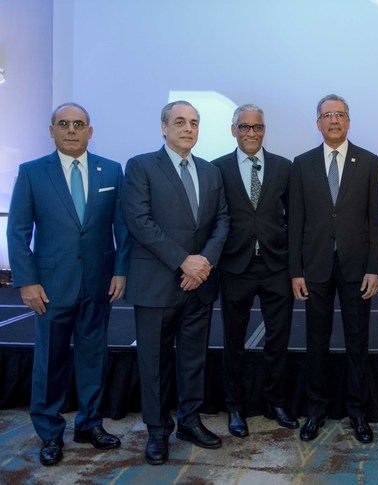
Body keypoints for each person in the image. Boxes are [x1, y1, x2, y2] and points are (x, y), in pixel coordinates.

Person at [7, 102, 130, 466]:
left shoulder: (111, 169)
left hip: (98, 284)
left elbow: (120, 227)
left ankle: (89, 424)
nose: (72, 130)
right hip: (50, 287)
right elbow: (17, 232)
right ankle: (49, 432)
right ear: (52, 130)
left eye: (79, 124)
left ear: (90, 131)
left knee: (94, 358)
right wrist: (27, 282)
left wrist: (120, 270)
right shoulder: (32, 172)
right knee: (50, 362)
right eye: (64, 124)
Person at [121, 100, 229, 465]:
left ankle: (190, 420)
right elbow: (139, 221)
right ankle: (156, 430)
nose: (188, 128)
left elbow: (222, 222)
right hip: (157, 282)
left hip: (198, 284)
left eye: (194, 123)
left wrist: (204, 264)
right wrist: (184, 261)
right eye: (180, 122)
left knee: (193, 358)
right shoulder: (140, 166)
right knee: (153, 361)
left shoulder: (210, 171)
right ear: (164, 127)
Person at [288, 94, 378, 443]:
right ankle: (316, 410)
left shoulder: (369, 162)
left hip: (357, 269)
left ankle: (358, 412)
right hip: (314, 269)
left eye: (340, 114)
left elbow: (376, 221)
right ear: (318, 123)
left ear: (349, 121)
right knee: (316, 341)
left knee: (358, 341)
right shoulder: (302, 164)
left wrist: (376, 268)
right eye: (327, 115)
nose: (334, 120)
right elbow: (296, 221)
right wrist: (295, 271)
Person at [212, 104, 298, 437]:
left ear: (264, 130)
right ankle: (236, 406)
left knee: (278, 340)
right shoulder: (217, 169)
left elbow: (295, 218)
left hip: (276, 265)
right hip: (236, 267)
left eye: (257, 127)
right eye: (245, 127)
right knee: (234, 341)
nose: (251, 133)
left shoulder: (283, 168)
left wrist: (294, 266)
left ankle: (275, 402)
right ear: (233, 129)